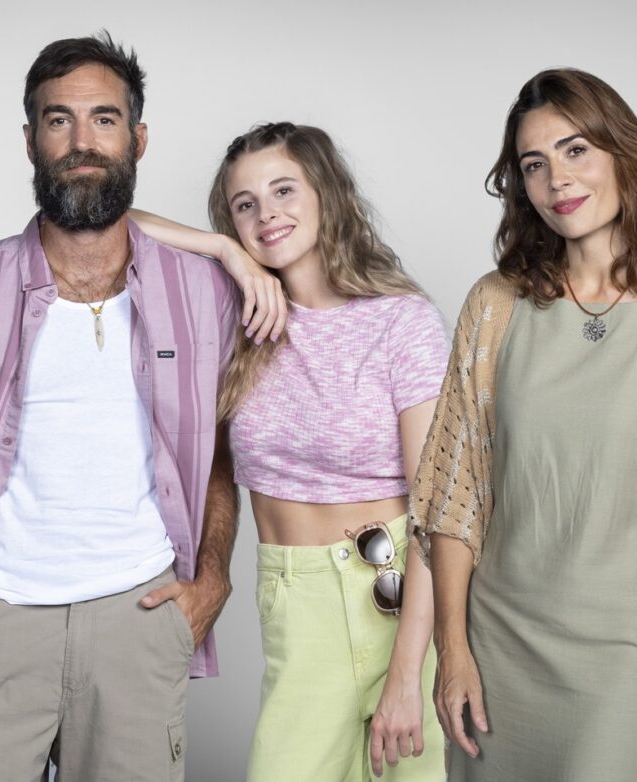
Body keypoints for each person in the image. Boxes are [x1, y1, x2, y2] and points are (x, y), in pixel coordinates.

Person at [0, 32, 280, 780]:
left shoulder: (203, 292)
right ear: (30, 140)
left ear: (138, 139)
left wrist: (214, 577)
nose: (82, 141)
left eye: (104, 119)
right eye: (59, 119)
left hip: (142, 621)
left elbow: (217, 455)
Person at [409, 69, 637, 782]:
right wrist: (452, 651)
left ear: (622, 154)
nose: (557, 180)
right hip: (502, 648)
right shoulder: (495, 307)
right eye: (534, 164)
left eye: (575, 150)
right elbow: (455, 499)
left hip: (636, 654)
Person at [131, 121, 449, 780]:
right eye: (244, 204)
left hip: (403, 599)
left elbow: (436, 512)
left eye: (284, 190)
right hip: (297, 603)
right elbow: (111, 224)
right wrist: (225, 251)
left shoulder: (402, 320)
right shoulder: (233, 314)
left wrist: (407, 675)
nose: (266, 215)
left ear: (325, 192)